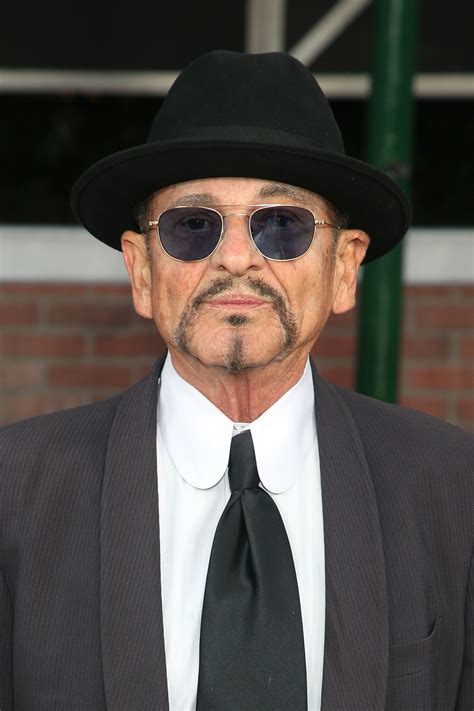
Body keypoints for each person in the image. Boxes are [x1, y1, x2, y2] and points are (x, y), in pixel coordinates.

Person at [0, 50, 472, 711]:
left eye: (282, 225)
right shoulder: (14, 493)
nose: (237, 258)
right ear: (142, 271)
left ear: (344, 268)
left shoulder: (454, 490)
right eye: (194, 226)